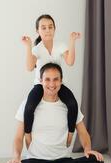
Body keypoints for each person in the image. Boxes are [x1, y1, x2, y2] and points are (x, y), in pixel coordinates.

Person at [2, 63, 104, 163]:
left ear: (61, 81)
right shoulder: (27, 105)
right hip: (36, 161)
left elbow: (83, 132)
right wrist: (16, 157)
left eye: (56, 79)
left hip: (62, 161)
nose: (52, 84)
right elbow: (18, 137)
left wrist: (88, 149)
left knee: (97, 162)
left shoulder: (69, 106)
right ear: (41, 81)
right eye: (47, 79)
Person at [21, 14, 81, 143]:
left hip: (57, 84)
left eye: (50, 27)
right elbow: (30, 67)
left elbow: (70, 62)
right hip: (41, 85)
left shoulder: (60, 45)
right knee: (30, 106)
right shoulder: (37, 49)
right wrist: (28, 46)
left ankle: (70, 133)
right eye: (43, 27)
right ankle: (27, 133)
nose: (47, 30)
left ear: (54, 29)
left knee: (72, 103)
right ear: (38, 31)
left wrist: (72, 41)